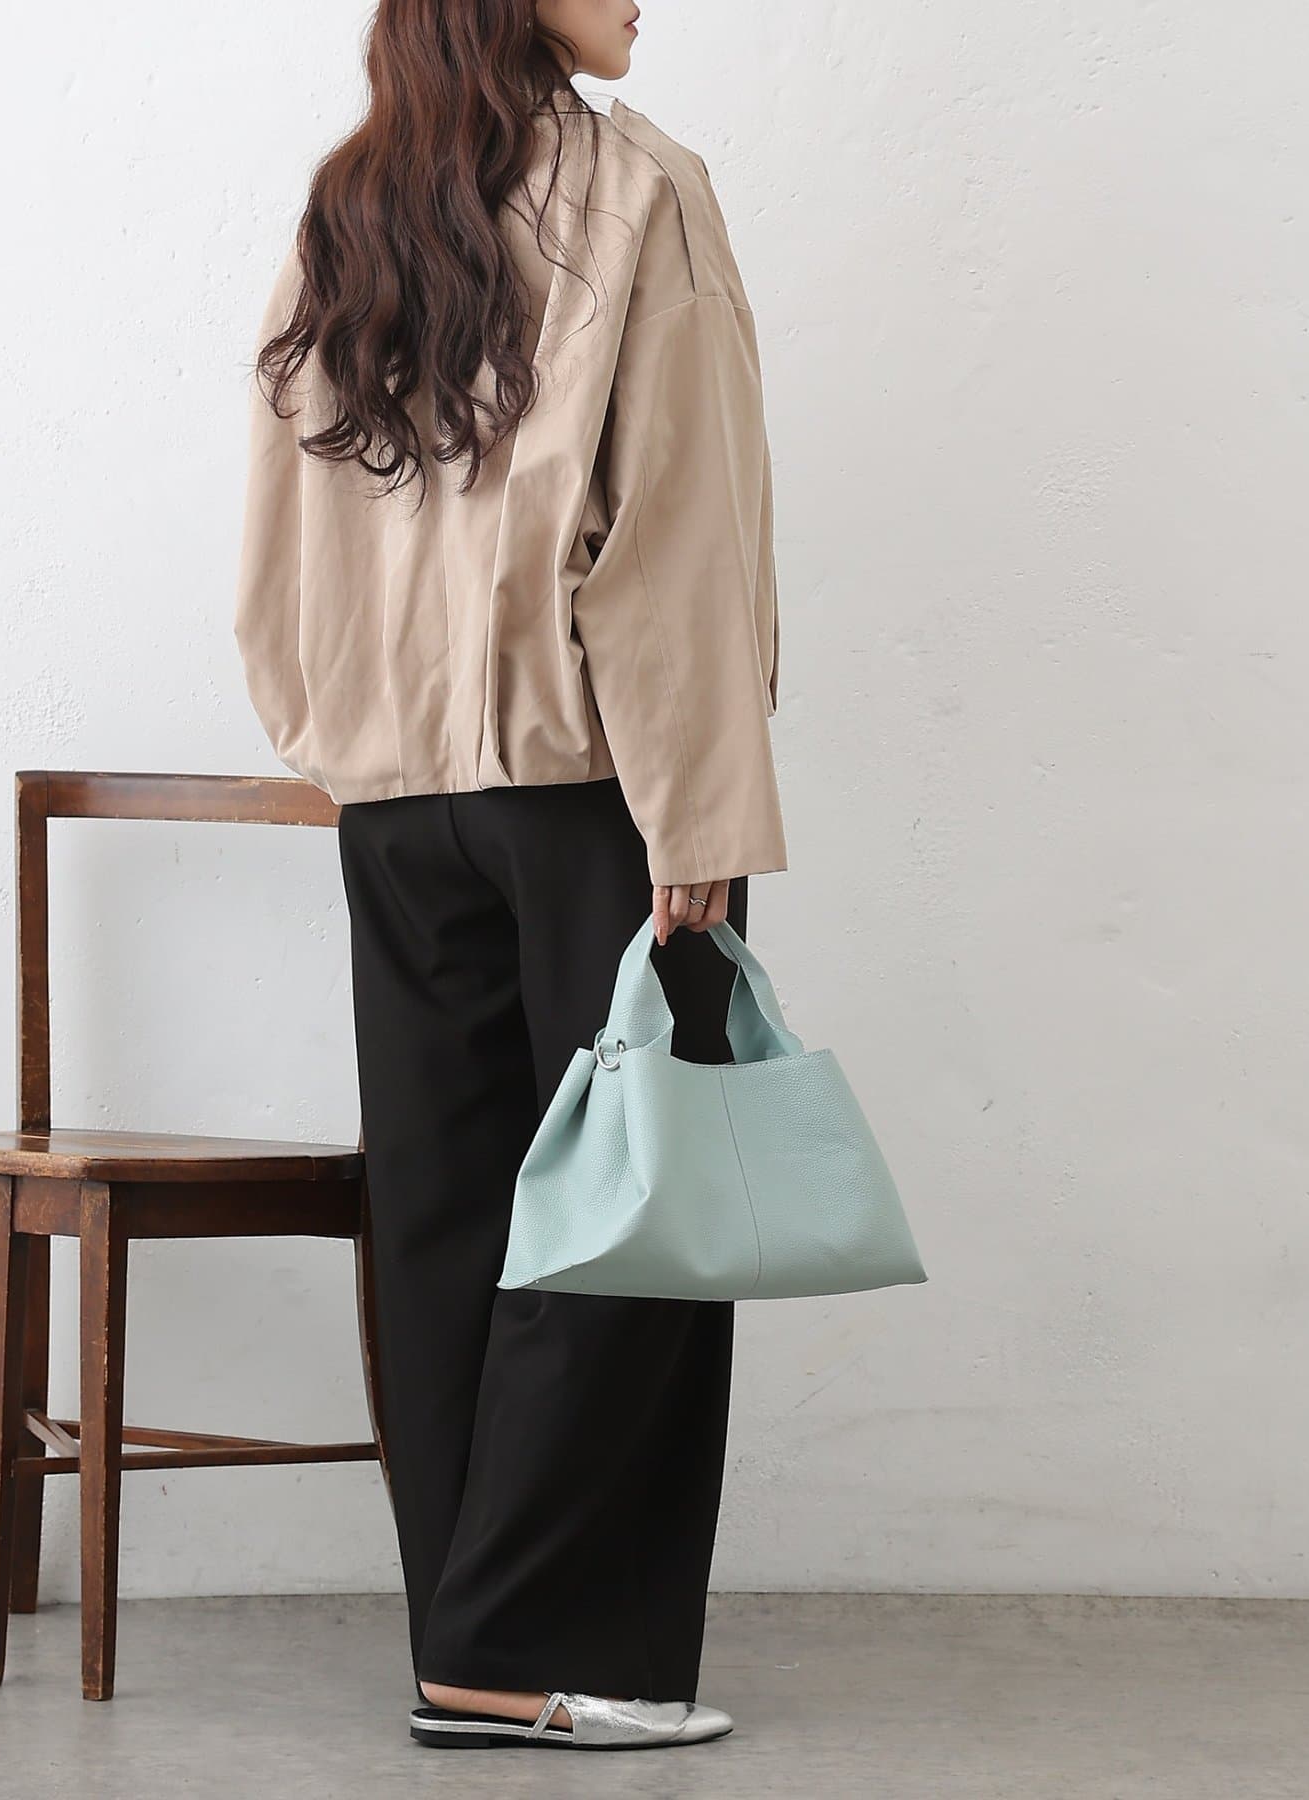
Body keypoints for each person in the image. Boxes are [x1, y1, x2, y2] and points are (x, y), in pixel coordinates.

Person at [233, 0, 786, 1754]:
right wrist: (699, 808)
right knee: (637, 1215)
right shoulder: (638, 194)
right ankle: (530, 1649)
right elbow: (675, 532)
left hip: (397, 806)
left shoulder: (353, 205)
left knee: (447, 1218)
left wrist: (344, 738)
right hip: (598, 793)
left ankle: (465, 1640)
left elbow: (284, 522)